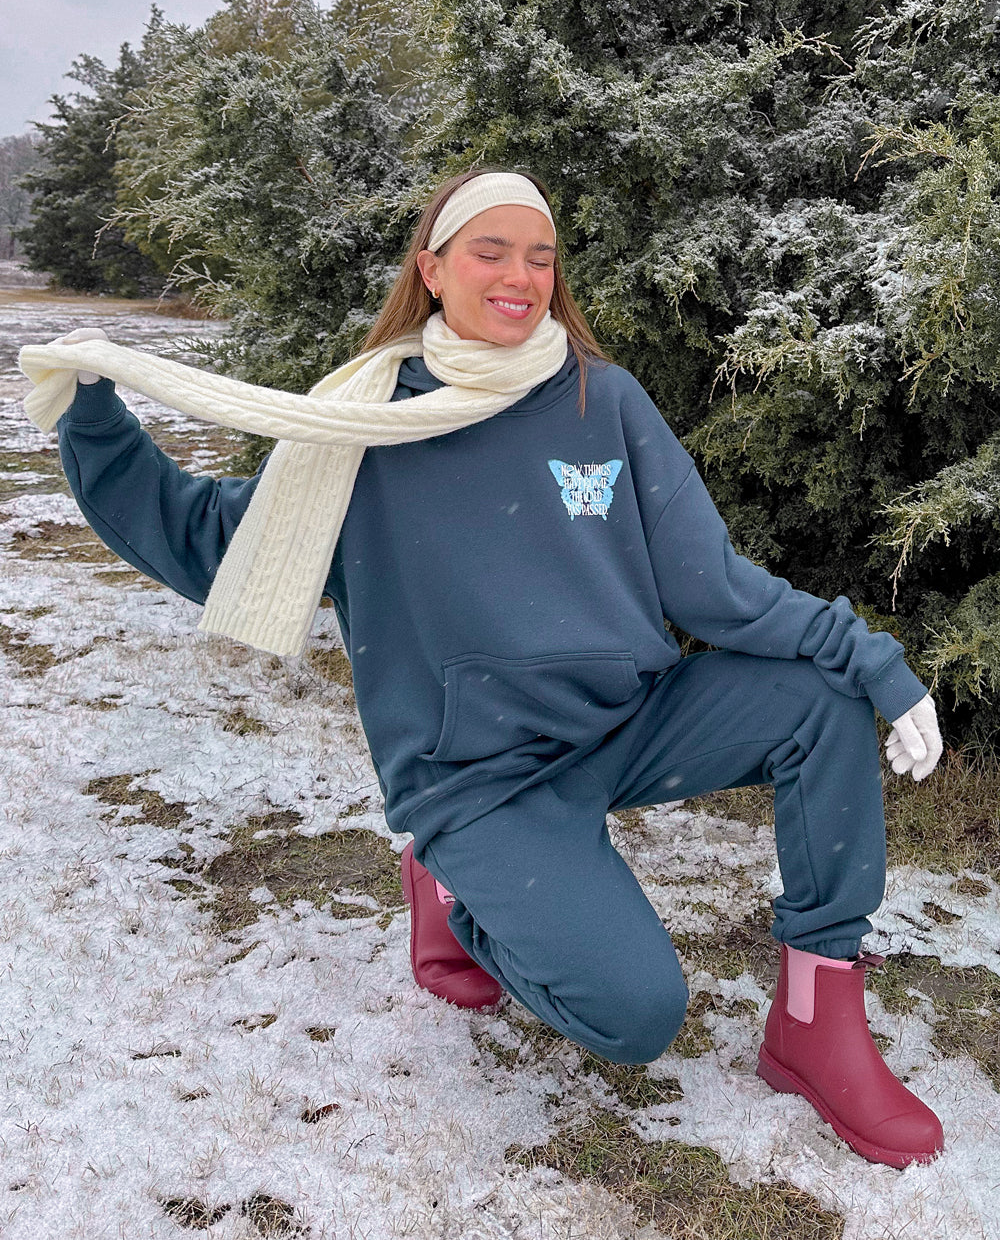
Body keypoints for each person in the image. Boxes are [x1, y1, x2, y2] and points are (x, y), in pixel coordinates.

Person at [20, 168, 946, 1169]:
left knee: (819, 695)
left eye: (539, 256)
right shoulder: (366, 425)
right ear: (432, 268)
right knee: (635, 1014)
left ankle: (817, 1021)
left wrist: (875, 666)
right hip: (479, 778)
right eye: (489, 252)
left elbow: (713, 589)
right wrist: (94, 409)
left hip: (627, 724)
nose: (520, 276)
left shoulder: (605, 400)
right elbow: (203, 537)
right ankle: (460, 890)